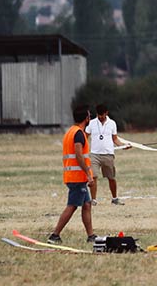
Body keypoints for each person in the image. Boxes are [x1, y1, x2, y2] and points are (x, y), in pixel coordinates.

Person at [48, 104, 96, 244]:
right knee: (73, 205)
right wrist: (88, 174)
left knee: (87, 204)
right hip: (77, 177)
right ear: (86, 118)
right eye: (89, 116)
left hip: (74, 176)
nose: (90, 118)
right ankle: (55, 235)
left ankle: (91, 235)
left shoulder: (71, 131)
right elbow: (79, 155)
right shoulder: (78, 134)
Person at [85, 104, 129, 205]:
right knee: (94, 176)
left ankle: (114, 198)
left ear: (106, 113)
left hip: (108, 154)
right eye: (99, 115)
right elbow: (85, 137)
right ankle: (93, 200)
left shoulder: (112, 123)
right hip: (94, 154)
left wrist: (123, 146)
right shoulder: (92, 123)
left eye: (102, 115)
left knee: (111, 177)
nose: (100, 117)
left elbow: (115, 139)